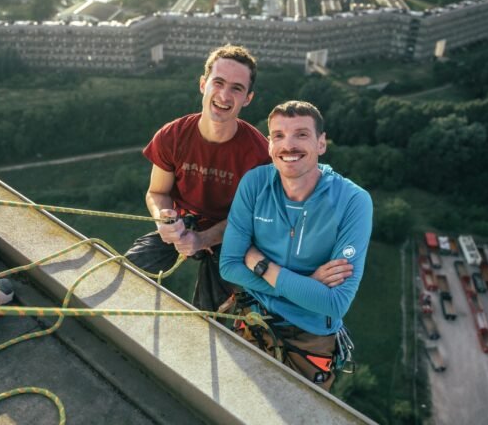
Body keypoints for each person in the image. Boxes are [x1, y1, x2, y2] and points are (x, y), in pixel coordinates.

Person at [219, 100, 373, 391]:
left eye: (301, 134)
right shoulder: (255, 184)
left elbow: (335, 302)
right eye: (278, 135)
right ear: (269, 145)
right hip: (254, 318)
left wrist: (261, 265)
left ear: (321, 143)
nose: (288, 145)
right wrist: (306, 284)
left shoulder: (353, 201)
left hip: (310, 337)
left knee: (297, 410)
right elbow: (228, 266)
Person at [124, 45, 271, 313]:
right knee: (127, 271)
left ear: (248, 98)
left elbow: (249, 220)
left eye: (236, 88)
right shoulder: (173, 135)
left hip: (231, 236)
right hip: (182, 225)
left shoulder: (259, 155)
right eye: (218, 83)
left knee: (212, 313)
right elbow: (157, 193)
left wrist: (202, 240)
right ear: (203, 84)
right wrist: (163, 219)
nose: (224, 95)